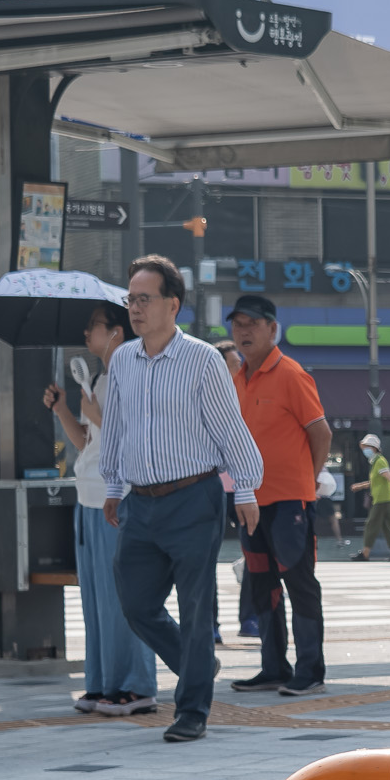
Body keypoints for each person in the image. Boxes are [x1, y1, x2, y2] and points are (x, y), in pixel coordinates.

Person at [99, 255, 265, 743]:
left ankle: (192, 709)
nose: (135, 308)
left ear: (173, 304)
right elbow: (116, 427)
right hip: (140, 503)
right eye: (131, 298)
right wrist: (113, 487)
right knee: (135, 602)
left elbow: (229, 428)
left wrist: (247, 489)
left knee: (196, 607)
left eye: (144, 298)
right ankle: (198, 664)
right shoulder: (124, 360)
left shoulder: (203, 359)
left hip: (194, 497)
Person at [44, 305, 157, 717]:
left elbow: (133, 437)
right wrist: (64, 410)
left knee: (122, 594)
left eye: (92, 326)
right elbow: (86, 443)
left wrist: (98, 415)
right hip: (88, 494)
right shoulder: (100, 378)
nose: (86, 332)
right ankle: (103, 682)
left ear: (115, 332)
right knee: (94, 597)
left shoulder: (133, 374)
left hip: (119, 495)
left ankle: (136, 685)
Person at [224, 293, 330, 697]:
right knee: (261, 585)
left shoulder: (291, 373)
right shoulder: (235, 379)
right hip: (249, 501)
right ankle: (273, 667)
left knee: (299, 582)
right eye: (238, 324)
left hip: (290, 501)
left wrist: (307, 479)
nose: (244, 331)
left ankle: (311, 669)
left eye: (252, 324)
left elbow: (321, 433)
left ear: (272, 328)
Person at [351, 433, 390, 560]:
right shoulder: (375, 462)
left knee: (371, 524)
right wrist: (360, 486)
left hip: (382, 499)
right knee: (387, 526)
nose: (364, 450)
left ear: (374, 448)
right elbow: (375, 481)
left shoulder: (380, 461)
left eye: (366, 446)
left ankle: (365, 553)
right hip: (384, 498)